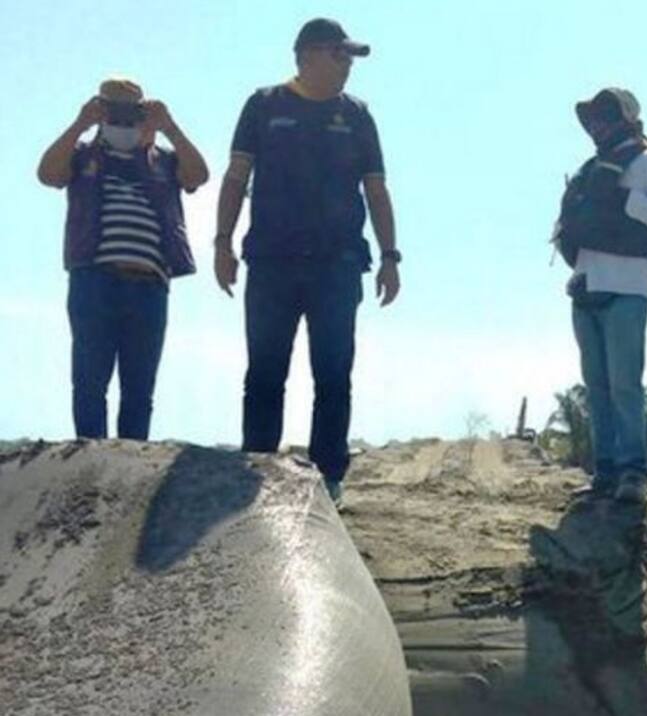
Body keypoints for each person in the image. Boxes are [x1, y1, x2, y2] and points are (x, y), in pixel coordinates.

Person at [214, 17, 401, 504]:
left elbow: (376, 190)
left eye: (350, 59)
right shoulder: (264, 105)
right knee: (265, 369)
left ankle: (329, 476)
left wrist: (390, 255)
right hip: (271, 260)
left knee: (334, 371)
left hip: (337, 263)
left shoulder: (357, 115)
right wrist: (221, 242)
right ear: (308, 55)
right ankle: (255, 464)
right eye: (340, 55)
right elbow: (236, 178)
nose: (347, 67)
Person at [37, 77, 207, 440]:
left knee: (139, 387)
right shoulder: (83, 155)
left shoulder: (161, 161)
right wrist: (80, 123)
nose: (123, 120)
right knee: (89, 380)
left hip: (149, 284)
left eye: (132, 111)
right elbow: (49, 174)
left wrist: (169, 128)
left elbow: (198, 175)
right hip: (95, 279)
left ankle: (131, 460)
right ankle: (88, 456)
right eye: (113, 109)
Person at [553, 87, 647, 503]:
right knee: (596, 385)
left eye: (605, 116)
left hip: (628, 287)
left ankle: (633, 472)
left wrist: (627, 200)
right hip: (586, 286)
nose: (597, 125)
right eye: (592, 119)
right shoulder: (591, 169)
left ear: (626, 117)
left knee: (625, 383)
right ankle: (605, 472)